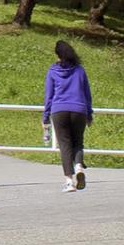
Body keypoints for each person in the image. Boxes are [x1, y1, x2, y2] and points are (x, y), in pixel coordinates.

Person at [41, 39, 93, 192]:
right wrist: (89, 113)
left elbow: (49, 96)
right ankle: (78, 167)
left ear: (58, 54)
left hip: (59, 110)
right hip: (79, 110)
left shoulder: (52, 71)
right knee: (78, 142)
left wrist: (45, 117)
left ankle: (69, 182)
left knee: (64, 145)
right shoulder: (79, 70)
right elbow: (87, 94)